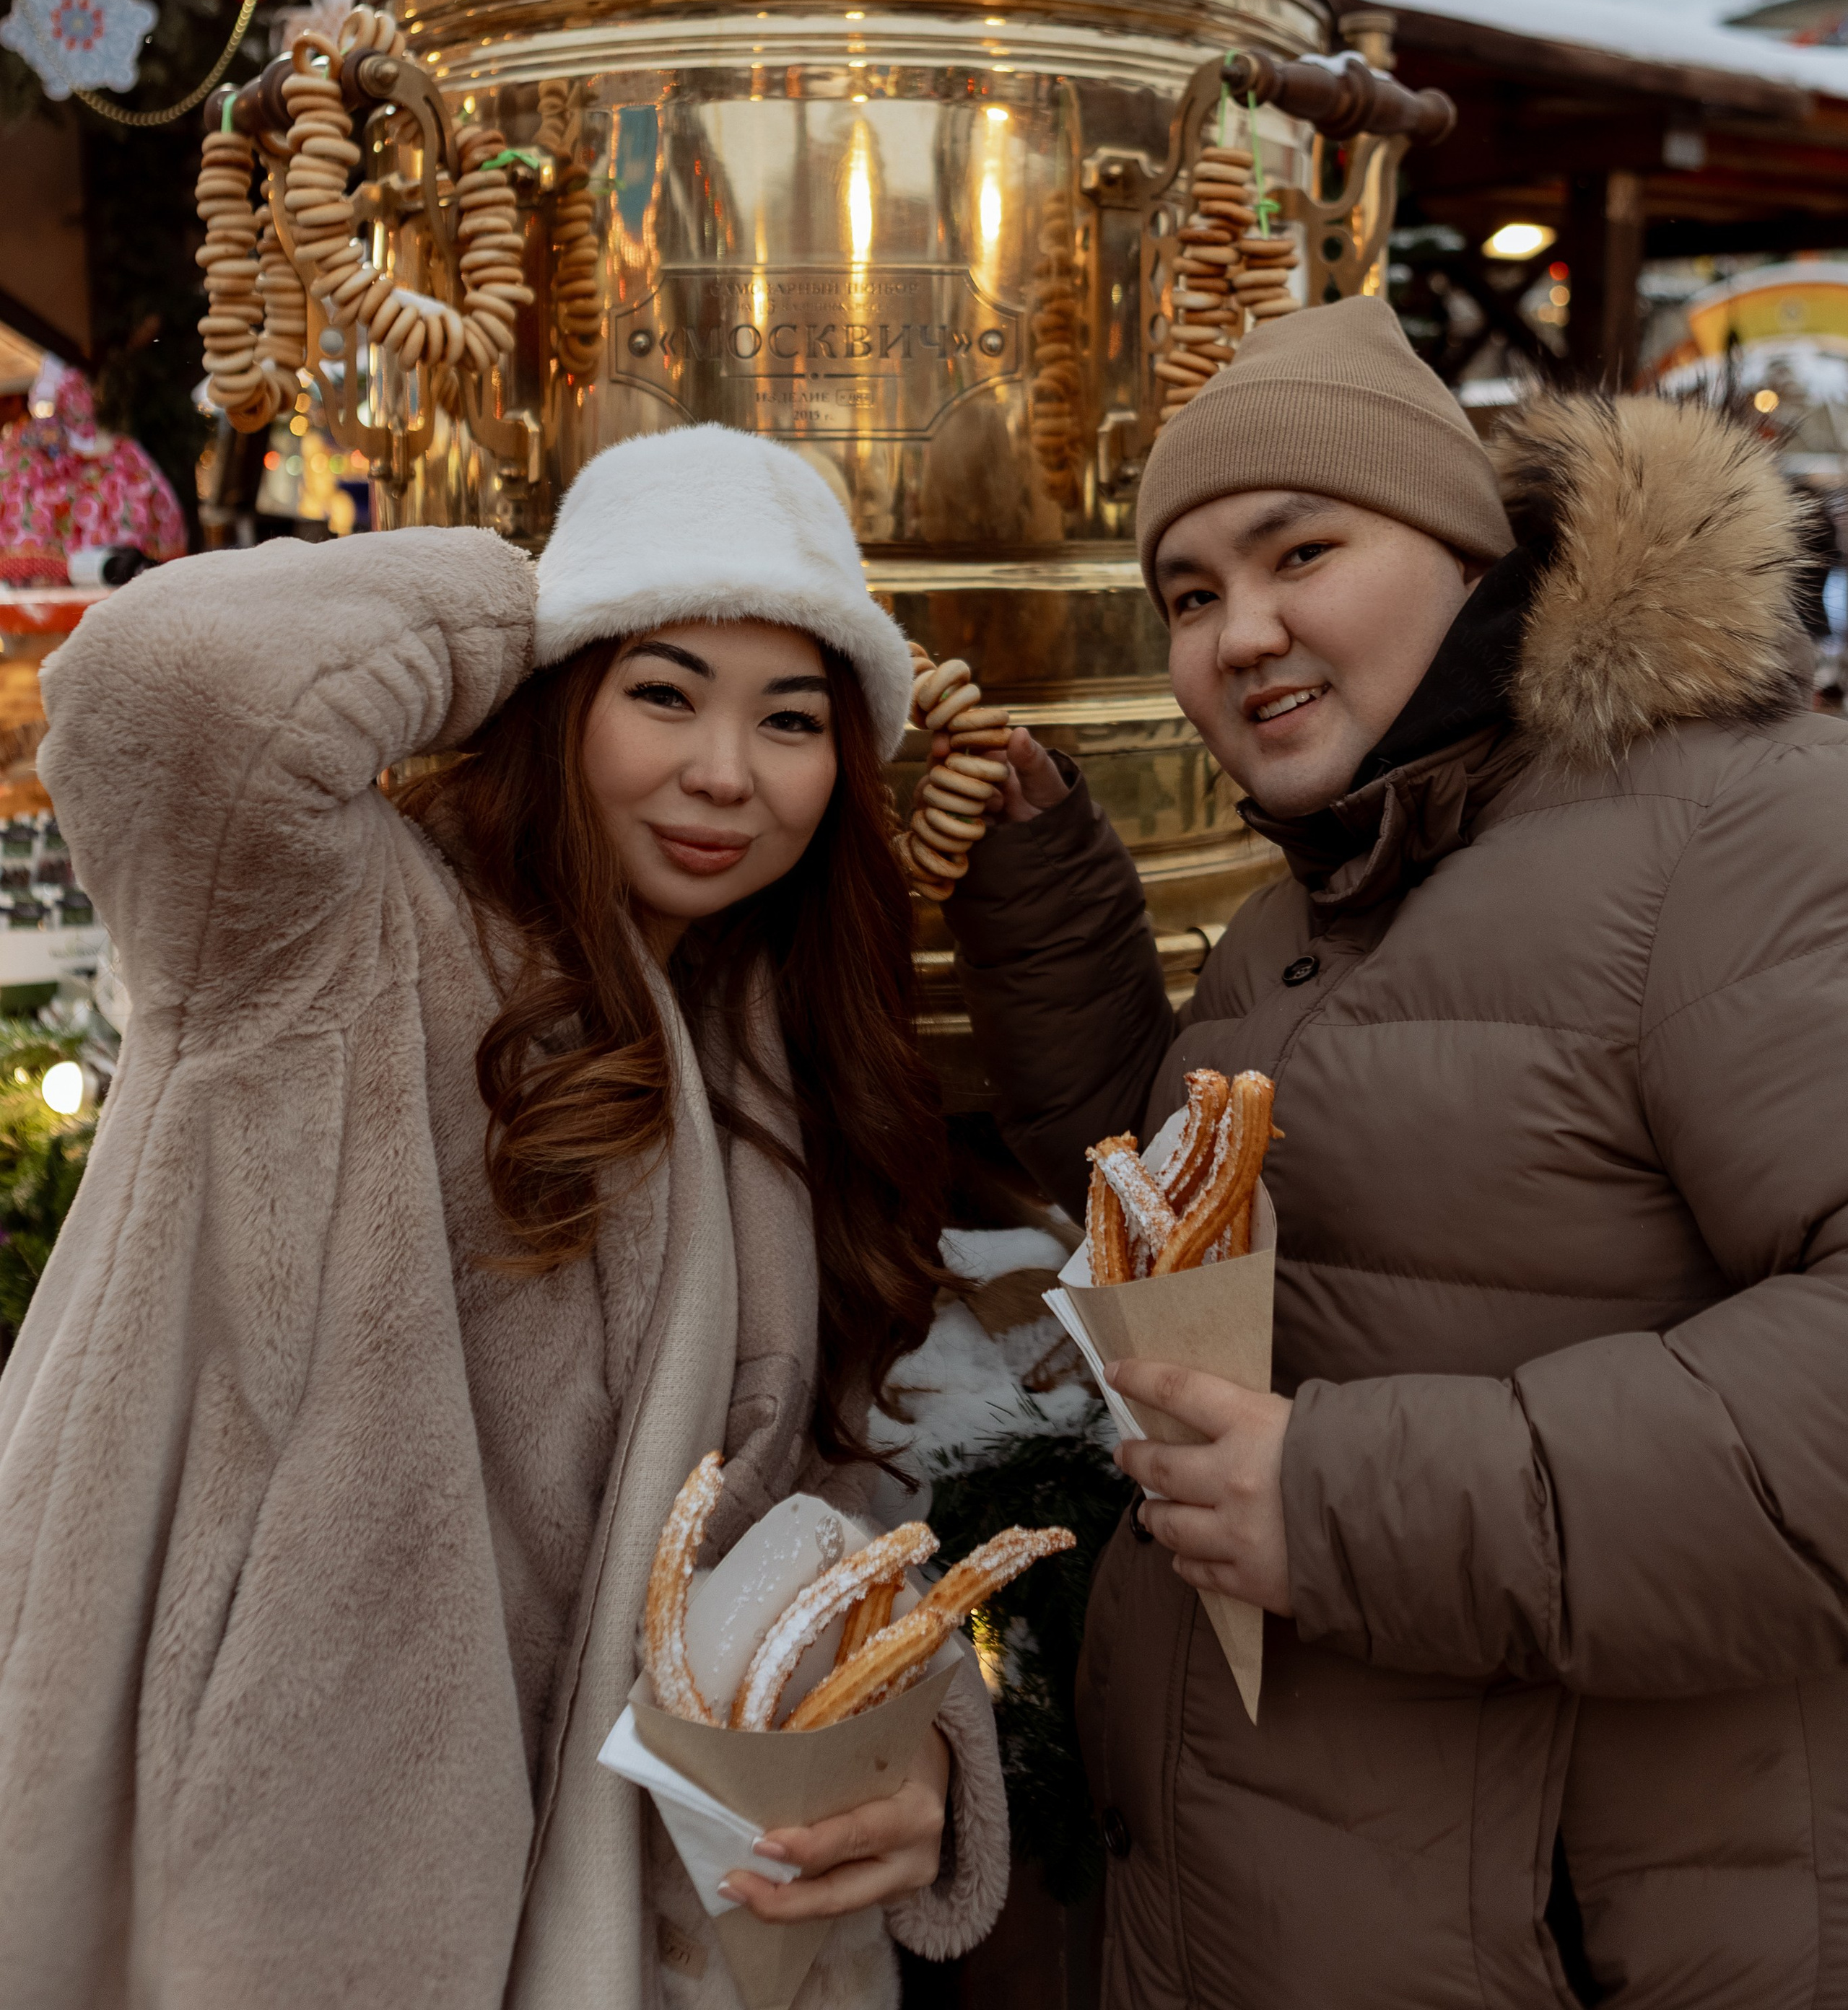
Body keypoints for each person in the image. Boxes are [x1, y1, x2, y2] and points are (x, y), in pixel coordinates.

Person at [0, 424, 1006, 2010]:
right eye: (660, 690)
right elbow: (164, 681)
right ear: (560, 695)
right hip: (279, 1871)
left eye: (791, 719)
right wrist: (525, 596)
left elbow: (787, 1492)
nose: (725, 772)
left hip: (623, 1902)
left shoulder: (763, 1041)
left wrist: (897, 1729)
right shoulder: (325, 924)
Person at [947, 296, 1848, 2010]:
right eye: (1189, 595)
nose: (1238, 631)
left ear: (1465, 553)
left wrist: (1341, 1503)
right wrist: (1043, 904)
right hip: (1260, 1910)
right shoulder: (1319, 903)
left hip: (1564, 1931)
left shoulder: (1746, 825)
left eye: (1299, 551)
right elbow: (1201, 1239)